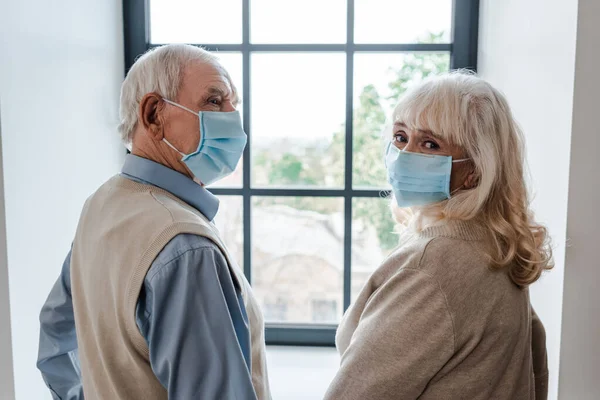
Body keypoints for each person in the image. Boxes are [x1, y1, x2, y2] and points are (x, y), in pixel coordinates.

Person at [36, 44, 271, 400]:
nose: (233, 117)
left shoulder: (101, 205)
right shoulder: (186, 248)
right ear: (153, 114)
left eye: (232, 103)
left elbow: (56, 339)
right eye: (214, 101)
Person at [324, 72, 551, 400]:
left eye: (430, 144)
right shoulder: (493, 245)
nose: (405, 154)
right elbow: (536, 361)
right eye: (401, 136)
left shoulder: (431, 265)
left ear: (474, 169)